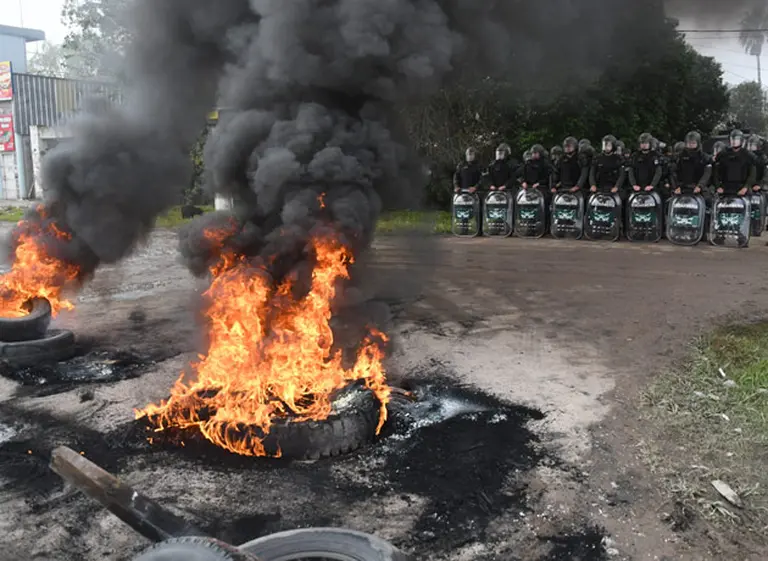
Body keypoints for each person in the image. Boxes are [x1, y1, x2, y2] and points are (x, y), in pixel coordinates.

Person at [713, 129, 756, 197]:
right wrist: (718, 186)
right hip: (725, 188)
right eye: (732, 139)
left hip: (743, 188)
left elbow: (752, 174)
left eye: (736, 139)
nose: (734, 141)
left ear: (741, 140)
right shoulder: (723, 154)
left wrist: (746, 187)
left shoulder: (748, 155)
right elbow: (716, 172)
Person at [672, 131, 712, 196]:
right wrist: (677, 186)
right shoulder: (679, 157)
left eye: (693, 143)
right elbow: (674, 172)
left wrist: (700, 186)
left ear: (698, 143)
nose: (690, 145)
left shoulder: (705, 158)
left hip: (700, 188)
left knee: (708, 199)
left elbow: (707, 174)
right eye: (689, 143)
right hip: (682, 188)